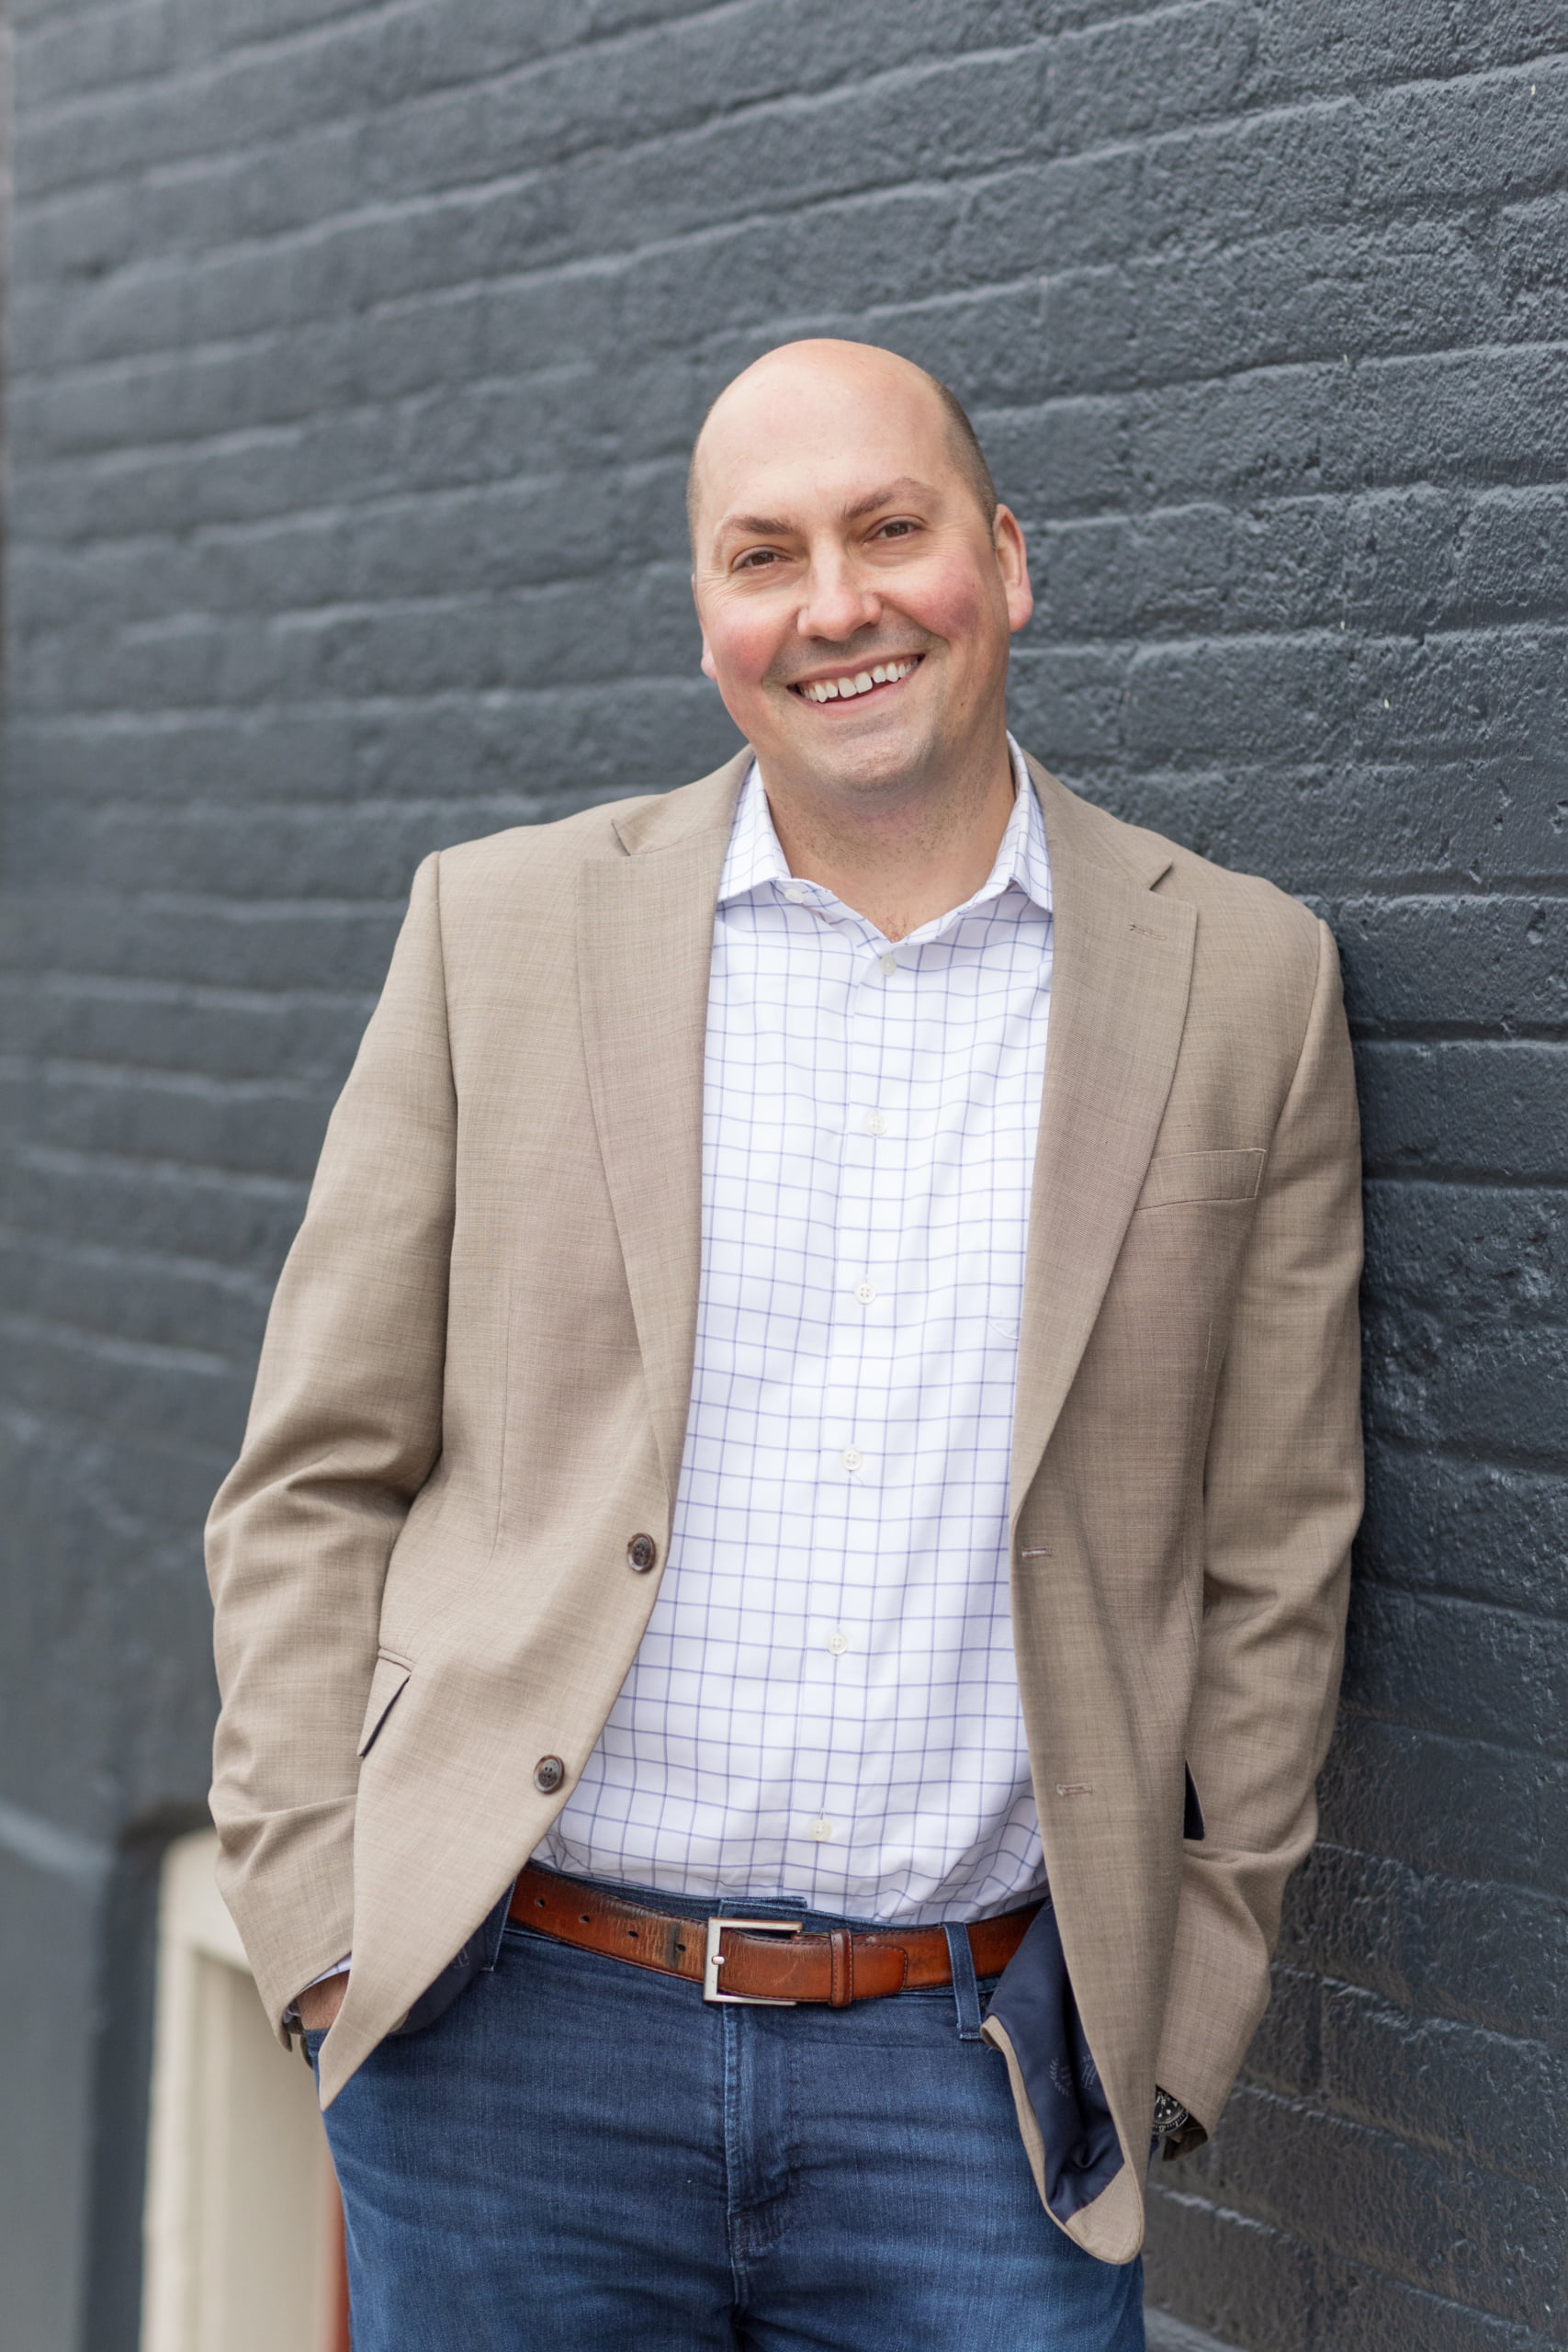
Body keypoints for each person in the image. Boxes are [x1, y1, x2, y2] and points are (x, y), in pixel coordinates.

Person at [207, 338, 1362, 2350]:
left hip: (973, 2088)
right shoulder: (498, 929)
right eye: (764, 556)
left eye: (888, 530)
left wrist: (1188, 2002)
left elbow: (1277, 1548)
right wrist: (317, 1929)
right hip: (510, 2047)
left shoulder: (1242, 980)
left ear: (1006, 561)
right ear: (707, 613)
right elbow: (314, 1472)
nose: (834, 606)